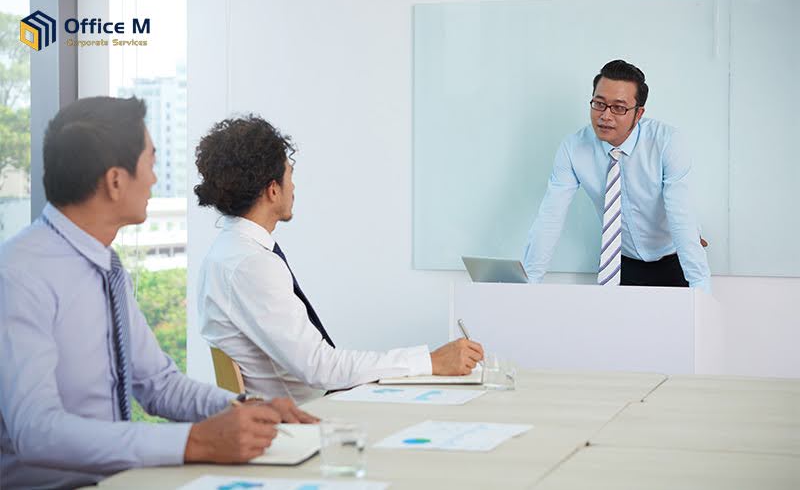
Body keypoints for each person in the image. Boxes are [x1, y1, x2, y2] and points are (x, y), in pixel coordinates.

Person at [0, 97, 316, 490]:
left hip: (117, 481)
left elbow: (158, 384)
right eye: (150, 162)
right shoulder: (19, 276)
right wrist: (194, 441)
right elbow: (36, 432)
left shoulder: (107, 267)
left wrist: (246, 408)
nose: (154, 178)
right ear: (116, 181)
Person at [194, 116, 485, 404]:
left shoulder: (226, 252)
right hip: (308, 414)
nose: (293, 187)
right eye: (290, 175)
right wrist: (430, 361)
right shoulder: (252, 265)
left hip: (305, 406)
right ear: (273, 190)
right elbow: (320, 368)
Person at [522, 59, 711, 291]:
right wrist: (528, 285)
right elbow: (550, 216)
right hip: (620, 262)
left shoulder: (666, 143)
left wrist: (701, 289)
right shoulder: (574, 148)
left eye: (619, 108)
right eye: (599, 104)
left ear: (638, 113)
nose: (605, 116)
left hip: (674, 259)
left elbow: (681, 216)